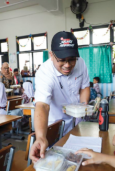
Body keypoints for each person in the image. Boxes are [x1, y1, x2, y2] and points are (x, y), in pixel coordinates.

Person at [29, 31, 90, 163]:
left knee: (79, 160)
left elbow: (85, 86)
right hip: (55, 125)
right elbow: (42, 105)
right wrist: (40, 137)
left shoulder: (81, 63)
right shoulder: (45, 72)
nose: (67, 65)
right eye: (62, 60)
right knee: (58, 162)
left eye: (72, 59)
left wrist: (83, 108)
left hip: (77, 122)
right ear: (51, 55)